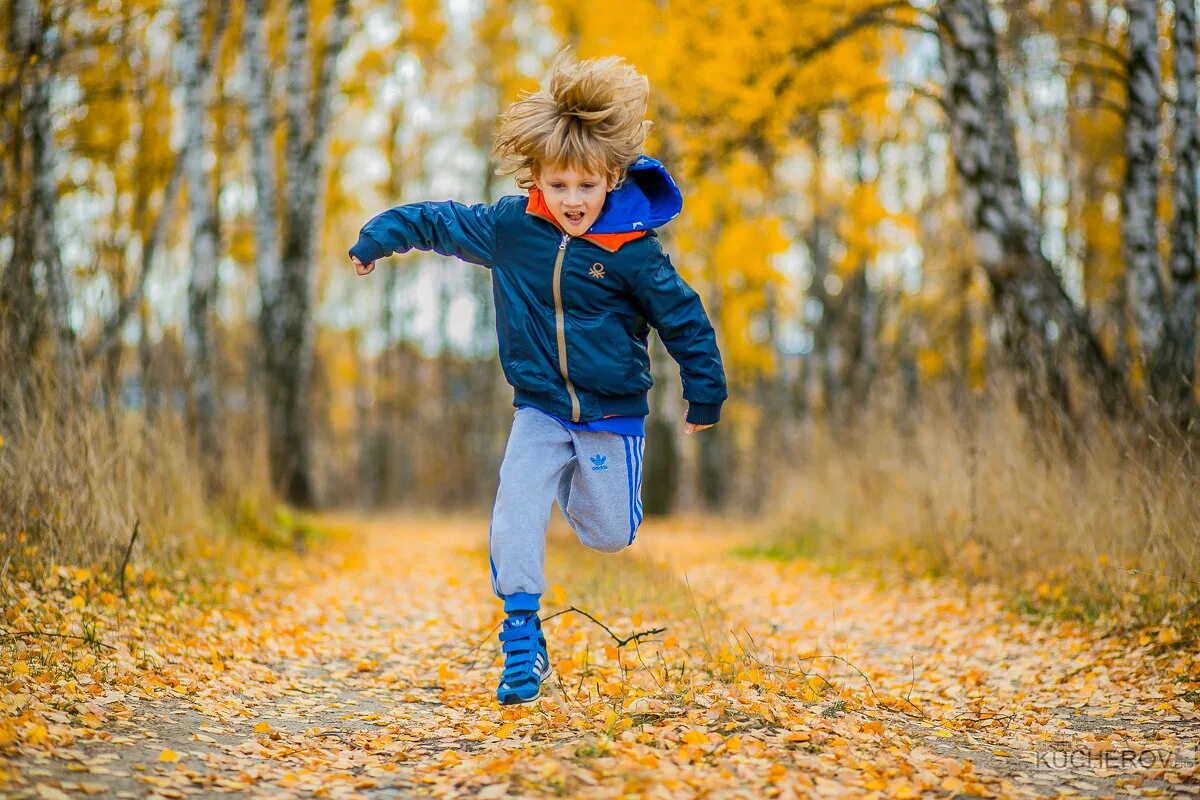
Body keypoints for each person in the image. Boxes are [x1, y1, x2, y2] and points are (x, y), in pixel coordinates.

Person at [348, 52, 727, 704]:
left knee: (610, 535)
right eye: (558, 186)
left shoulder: (632, 252)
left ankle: (579, 481)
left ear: (610, 178)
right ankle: (521, 639)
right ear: (536, 180)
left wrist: (705, 389)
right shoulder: (510, 229)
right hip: (541, 407)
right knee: (514, 509)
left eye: (586, 186)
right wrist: (380, 236)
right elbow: (439, 221)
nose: (572, 201)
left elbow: (683, 316)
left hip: (611, 413)